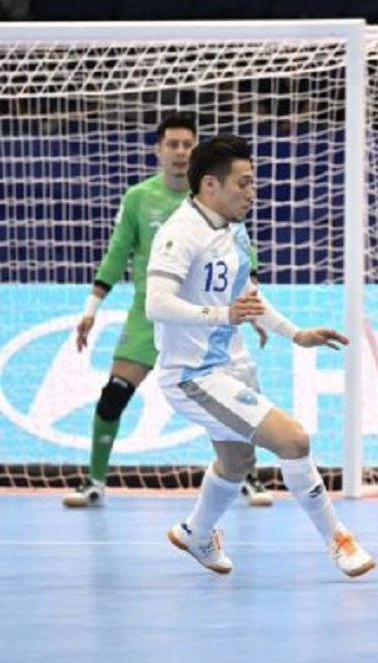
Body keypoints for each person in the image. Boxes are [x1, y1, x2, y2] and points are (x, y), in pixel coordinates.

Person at [146, 134, 375, 577]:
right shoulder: (180, 233)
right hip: (192, 375)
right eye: (244, 184)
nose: (252, 193)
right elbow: (156, 303)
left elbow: (247, 295)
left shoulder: (233, 229)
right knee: (293, 439)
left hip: (229, 364)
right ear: (210, 185)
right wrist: (221, 314)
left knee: (237, 464)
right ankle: (338, 539)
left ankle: (195, 533)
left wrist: (296, 334)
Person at [65, 113, 274, 509]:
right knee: (113, 395)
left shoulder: (211, 197)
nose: (180, 152)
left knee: (238, 397)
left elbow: (244, 256)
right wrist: (92, 307)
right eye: (172, 144)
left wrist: (257, 310)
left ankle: (249, 477)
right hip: (152, 315)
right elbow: (116, 255)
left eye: (187, 145)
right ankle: (94, 481)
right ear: (158, 149)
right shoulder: (139, 198)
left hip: (207, 320)